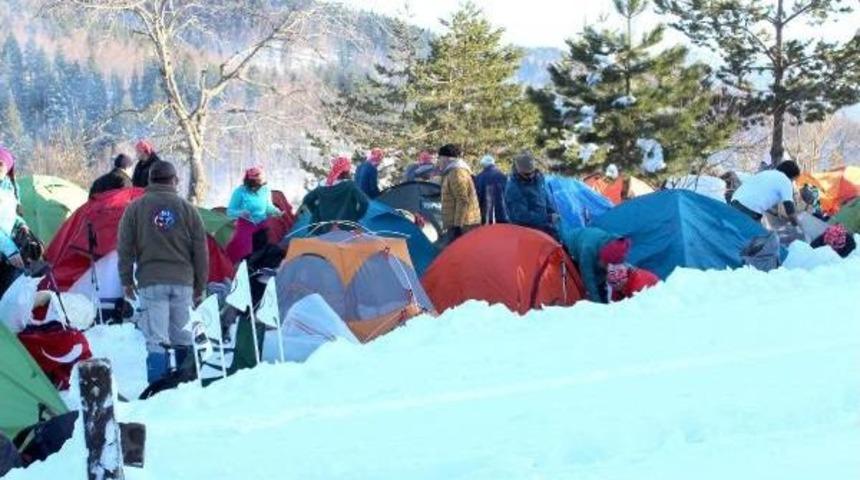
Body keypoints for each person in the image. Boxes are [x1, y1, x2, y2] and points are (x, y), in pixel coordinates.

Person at [117, 160, 209, 384]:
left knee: (156, 339)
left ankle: (158, 387)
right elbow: (201, 250)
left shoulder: (135, 208)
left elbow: (125, 247)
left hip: (151, 281)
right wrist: (200, 285)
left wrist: (127, 280)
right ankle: (186, 384)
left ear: (149, 180)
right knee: (183, 336)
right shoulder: (188, 209)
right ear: (174, 180)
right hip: (183, 282)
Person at [225, 166, 282, 263]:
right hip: (245, 228)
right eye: (254, 185)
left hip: (261, 227)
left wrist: (276, 211)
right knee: (245, 255)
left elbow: (268, 207)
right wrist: (240, 213)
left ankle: (257, 273)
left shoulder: (265, 190)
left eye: (259, 184)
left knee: (261, 254)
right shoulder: (240, 192)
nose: (257, 187)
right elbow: (230, 211)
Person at [301, 155, 370, 232]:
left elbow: (307, 200)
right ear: (347, 171)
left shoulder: (322, 186)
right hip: (346, 228)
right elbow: (364, 202)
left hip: (324, 228)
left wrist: (316, 212)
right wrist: (356, 217)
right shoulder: (350, 186)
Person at [562, 227, 629, 303]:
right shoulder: (588, 250)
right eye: (606, 264)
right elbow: (588, 279)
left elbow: (619, 265)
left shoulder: (617, 245)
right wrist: (597, 304)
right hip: (571, 246)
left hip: (592, 243)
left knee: (601, 279)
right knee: (584, 282)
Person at [731, 160, 801, 225]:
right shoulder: (785, 181)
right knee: (757, 236)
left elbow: (759, 197)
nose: (793, 181)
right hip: (750, 209)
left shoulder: (765, 173)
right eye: (794, 179)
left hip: (735, 202)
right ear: (792, 175)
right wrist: (797, 223)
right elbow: (789, 208)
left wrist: (775, 213)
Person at [504, 151, 556, 236]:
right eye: (527, 174)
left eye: (532, 172)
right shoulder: (513, 188)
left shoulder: (539, 179)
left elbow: (545, 197)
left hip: (546, 229)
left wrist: (552, 212)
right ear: (518, 170)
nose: (531, 176)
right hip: (527, 233)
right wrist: (547, 218)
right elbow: (521, 216)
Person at [437, 144, 480, 242]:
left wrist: (458, 226)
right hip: (459, 223)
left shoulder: (457, 173)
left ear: (446, 158)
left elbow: (462, 200)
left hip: (463, 225)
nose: (438, 161)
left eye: (439, 158)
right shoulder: (451, 172)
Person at [474, 154, 508, 224]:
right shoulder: (503, 176)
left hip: (486, 215)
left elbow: (477, 197)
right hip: (503, 214)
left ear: (483, 165)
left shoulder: (479, 177)